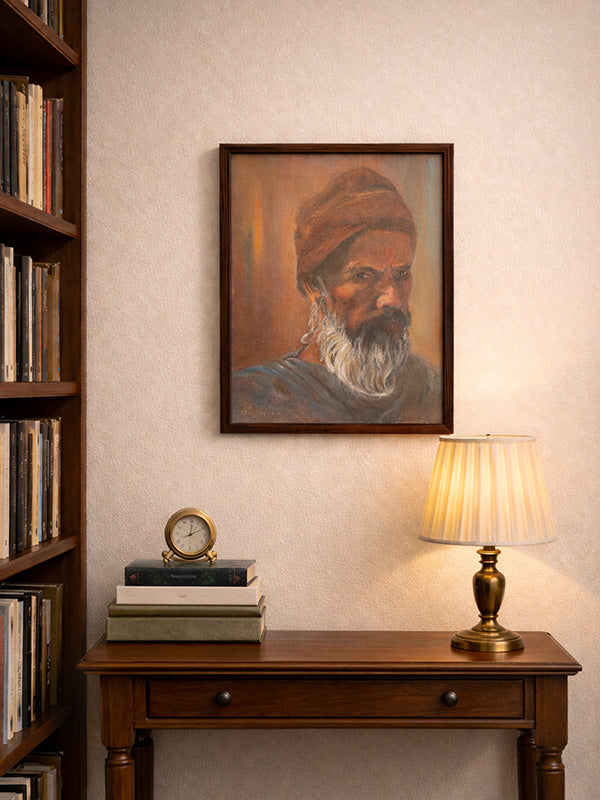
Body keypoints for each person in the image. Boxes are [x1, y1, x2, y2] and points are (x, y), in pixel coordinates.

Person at [231, 166, 442, 424]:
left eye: (401, 274)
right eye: (363, 276)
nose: (392, 299)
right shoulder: (255, 397)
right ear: (314, 287)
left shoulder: (428, 389)